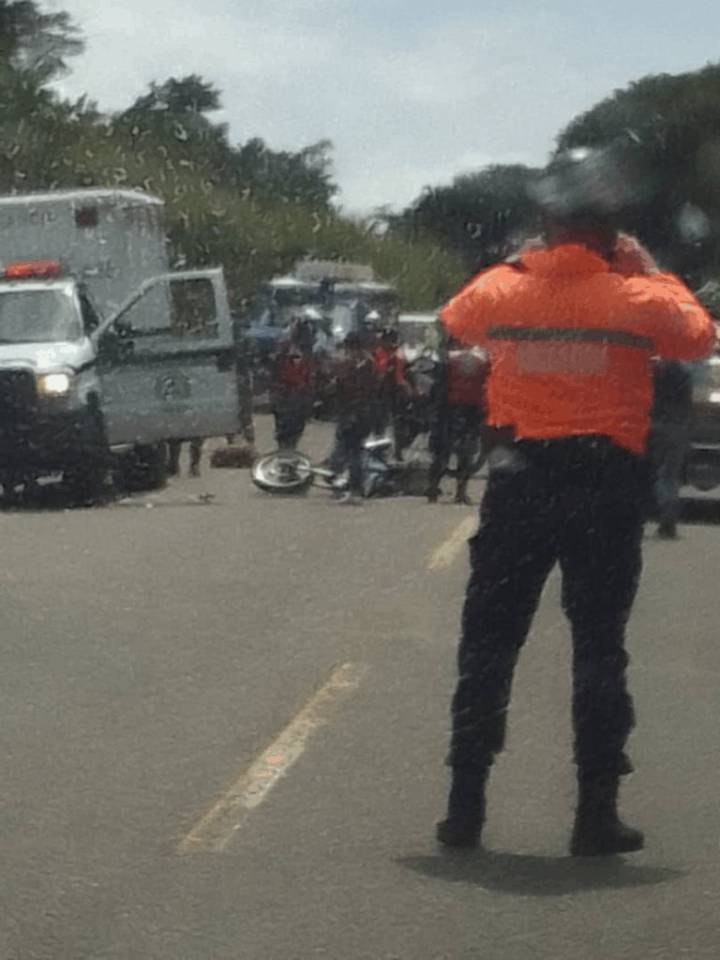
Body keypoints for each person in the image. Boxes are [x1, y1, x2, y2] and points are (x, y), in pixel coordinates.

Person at [435, 143, 715, 857]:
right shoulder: (635, 296)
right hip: (604, 489)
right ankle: (595, 813)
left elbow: (456, 320)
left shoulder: (505, 290)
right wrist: (647, 269)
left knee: (489, 645)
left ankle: (464, 807)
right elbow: (697, 336)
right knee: (598, 650)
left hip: (519, 482)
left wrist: (526, 262)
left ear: (548, 223)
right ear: (612, 230)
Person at [426, 335, 488, 505]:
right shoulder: (482, 359)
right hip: (472, 411)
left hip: (450, 410)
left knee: (442, 451)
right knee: (466, 453)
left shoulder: (447, 359)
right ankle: (460, 492)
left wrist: (435, 410)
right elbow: (487, 386)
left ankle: (433, 489)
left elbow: (438, 387)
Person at [328, 331, 381, 502]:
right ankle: (347, 486)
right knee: (349, 452)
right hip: (357, 414)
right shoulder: (365, 364)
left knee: (350, 453)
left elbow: (353, 390)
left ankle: (352, 488)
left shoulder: (360, 366)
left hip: (355, 415)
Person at [648, 360, 694, 539]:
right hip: (676, 428)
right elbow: (688, 404)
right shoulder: (684, 374)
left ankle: (646, 512)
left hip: (654, 425)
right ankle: (668, 518)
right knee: (670, 475)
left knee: (651, 472)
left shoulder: (653, 372)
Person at [270, 316, 316, 450]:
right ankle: (286, 456)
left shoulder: (307, 356)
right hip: (288, 398)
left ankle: (288, 456)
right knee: (287, 434)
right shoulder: (284, 353)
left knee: (291, 434)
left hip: (295, 398)